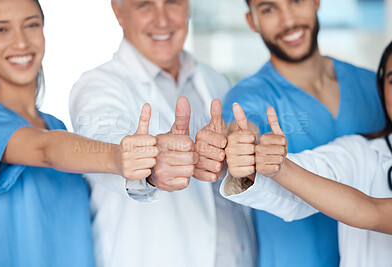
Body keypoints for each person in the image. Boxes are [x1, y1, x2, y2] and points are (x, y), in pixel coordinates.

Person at [69, 0, 257, 266]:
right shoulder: (97, 86)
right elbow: (102, 137)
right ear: (118, 11)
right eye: (144, 5)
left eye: (172, 2)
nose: (162, 20)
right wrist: (150, 165)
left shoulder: (214, 80)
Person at [0, 0, 159, 266]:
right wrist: (118, 156)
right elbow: (45, 150)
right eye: (0, 30)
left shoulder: (57, 126)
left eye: (31, 25)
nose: (21, 43)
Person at [221, 0, 386, 266]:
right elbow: (240, 127)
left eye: (296, 1)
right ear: (252, 21)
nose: (288, 21)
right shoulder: (249, 96)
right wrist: (238, 144)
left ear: (317, 2)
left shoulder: (375, 87)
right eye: (268, 9)